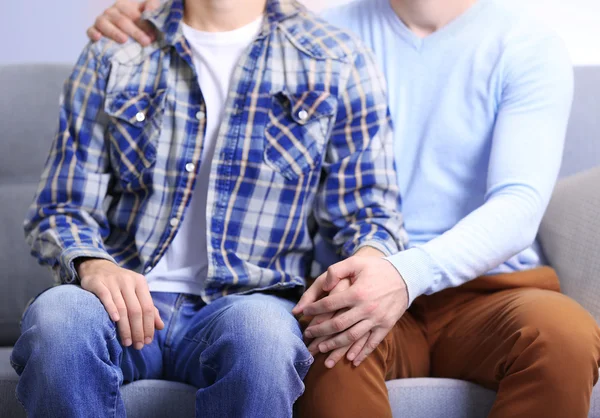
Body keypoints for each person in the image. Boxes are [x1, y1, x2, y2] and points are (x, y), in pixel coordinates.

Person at [89, 0, 600, 417]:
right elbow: (212, 43)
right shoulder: (318, 36)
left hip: (486, 292)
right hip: (349, 288)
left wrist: (404, 273)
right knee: (323, 359)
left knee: (565, 337)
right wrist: (149, 18)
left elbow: (519, 204)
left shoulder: (526, 43)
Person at [9, 0, 406, 417]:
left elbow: (371, 212)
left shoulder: (336, 57)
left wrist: (370, 262)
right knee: (57, 319)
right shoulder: (115, 50)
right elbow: (60, 205)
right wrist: (93, 263)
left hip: (251, 298)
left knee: (264, 337)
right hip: (121, 302)